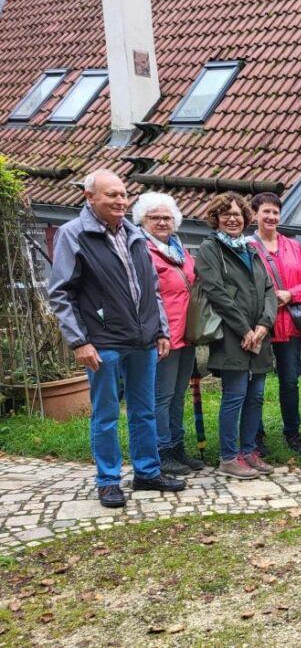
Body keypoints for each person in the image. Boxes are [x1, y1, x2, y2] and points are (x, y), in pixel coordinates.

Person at [48, 169, 185, 508]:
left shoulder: (135, 234)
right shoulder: (73, 234)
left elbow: (152, 289)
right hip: (103, 343)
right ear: (90, 197)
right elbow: (60, 293)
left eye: (123, 194)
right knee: (106, 415)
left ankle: (147, 473)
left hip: (143, 341)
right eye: (111, 195)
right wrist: (79, 341)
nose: (120, 200)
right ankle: (108, 480)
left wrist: (161, 330)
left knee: (145, 412)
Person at [195, 192, 277, 480]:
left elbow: (269, 290)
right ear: (215, 219)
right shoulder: (210, 249)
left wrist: (264, 326)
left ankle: (249, 451)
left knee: (255, 398)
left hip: (259, 336)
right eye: (225, 214)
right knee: (235, 396)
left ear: (246, 218)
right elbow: (216, 292)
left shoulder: (251, 249)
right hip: (233, 337)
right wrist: (244, 329)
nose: (233, 219)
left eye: (238, 214)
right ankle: (229, 457)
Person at [133, 191, 205, 476]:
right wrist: (159, 332)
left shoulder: (179, 248)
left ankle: (177, 447)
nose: (162, 222)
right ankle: (162, 451)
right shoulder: (141, 249)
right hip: (162, 336)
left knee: (178, 395)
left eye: (167, 217)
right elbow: (146, 295)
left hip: (186, 334)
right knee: (161, 397)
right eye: (155, 218)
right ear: (142, 220)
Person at [250, 192, 301, 454]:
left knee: (290, 381)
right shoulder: (247, 247)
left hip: (289, 325)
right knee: (257, 383)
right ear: (255, 215)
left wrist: (291, 294)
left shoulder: (293, 247)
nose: (271, 217)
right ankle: (255, 434)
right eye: (266, 211)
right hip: (259, 325)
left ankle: (292, 432)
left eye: (275, 212)